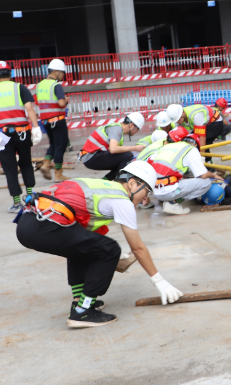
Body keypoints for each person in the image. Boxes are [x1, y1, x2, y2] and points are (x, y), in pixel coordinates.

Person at [14, 161, 183, 328]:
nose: (145, 199)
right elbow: (137, 247)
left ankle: (79, 302)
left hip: (28, 223)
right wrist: (159, 281)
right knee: (111, 249)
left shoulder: (103, 187)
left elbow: (85, 235)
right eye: (146, 192)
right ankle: (83, 311)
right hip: (43, 224)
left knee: (84, 248)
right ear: (132, 184)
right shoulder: (122, 200)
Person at [149, 126, 231, 215]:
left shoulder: (166, 147)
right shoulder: (190, 149)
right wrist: (213, 175)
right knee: (206, 182)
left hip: (153, 191)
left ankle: (170, 200)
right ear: (196, 146)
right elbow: (203, 175)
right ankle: (172, 203)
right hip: (167, 190)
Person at [0, 60, 43, 213]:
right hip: (22, 132)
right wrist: (36, 128)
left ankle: (17, 203)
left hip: (2, 136)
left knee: (10, 168)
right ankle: (30, 198)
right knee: (25, 164)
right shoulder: (19, 87)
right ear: (10, 73)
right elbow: (29, 108)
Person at [79, 113, 145, 180]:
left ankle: (104, 182)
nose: (137, 131)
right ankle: (120, 182)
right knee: (128, 156)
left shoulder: (117, 129)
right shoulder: (117, 129)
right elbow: (113, 149)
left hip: (91, 156)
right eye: (137, 129)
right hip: (91, 157)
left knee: (122, 162)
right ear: (131, 125)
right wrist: (135, 148)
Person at [36, 59, 70, 182]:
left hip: (45, 121)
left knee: (53, 144)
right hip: (57, 120)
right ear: (56, 71)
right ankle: (58, 174)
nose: (62, 76)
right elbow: (61, 103)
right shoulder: (56, 85)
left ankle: (46, 164)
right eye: (62, 73)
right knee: (61, 145)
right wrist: (66, 100)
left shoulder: (40, 85)